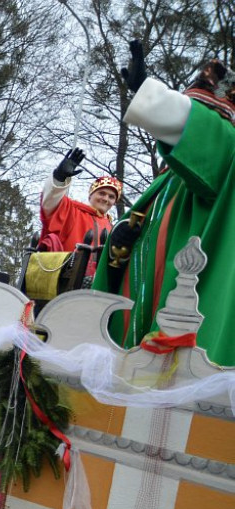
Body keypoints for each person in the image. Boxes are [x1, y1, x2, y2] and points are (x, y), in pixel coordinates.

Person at [93, 44, 235, 367]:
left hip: (180, 321)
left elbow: (191, 124)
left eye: (196, 110)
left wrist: (149, 92)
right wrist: (117, 245)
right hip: (140, 307)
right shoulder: (167, 179)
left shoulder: (225, 150)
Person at [39, 148, 120, 255]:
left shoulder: (113, 228)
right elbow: (50, 202)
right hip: (68, 270)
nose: (105, 199)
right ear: (90, 195)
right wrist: (59, 178)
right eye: (101, 193)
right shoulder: (72, 211)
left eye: (111, 197)